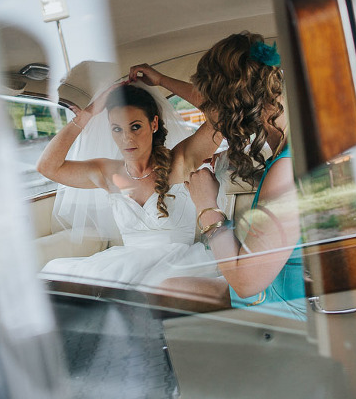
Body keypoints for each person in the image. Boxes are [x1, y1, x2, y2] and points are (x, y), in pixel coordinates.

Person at [128, 31, 306, 319]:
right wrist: (161, 80)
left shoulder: (285, 171)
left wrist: (207, 206)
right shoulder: (295, 144)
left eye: (212, 104)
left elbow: (246, 284)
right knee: (164, 290)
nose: (208, 113)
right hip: (277, 288)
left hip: (284, 309)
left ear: (232, 103)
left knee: (157, 298)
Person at [36, 82, 224, 292]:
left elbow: (222, 116)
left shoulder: (181, 161)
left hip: (180, 265)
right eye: (117, 129)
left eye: (135, 127)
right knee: (56, 277)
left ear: (153, 124)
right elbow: (47, 167)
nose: (126, 138)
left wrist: (161, 79)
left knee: (149, 290)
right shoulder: (108, 172)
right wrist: (86, 115)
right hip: (126, 265)